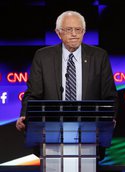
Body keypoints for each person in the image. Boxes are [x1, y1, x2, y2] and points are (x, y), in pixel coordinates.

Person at [15, 10, 118, 160]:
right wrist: (25, 115)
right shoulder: (43, 56)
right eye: (69, 30)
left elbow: (110, 95)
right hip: (51, 134)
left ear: (84, 32)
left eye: (78, 30)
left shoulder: (99, 56)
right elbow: (33, 93)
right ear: (58, 32)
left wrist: (109, 118)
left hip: (89, 134)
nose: (74, 34)